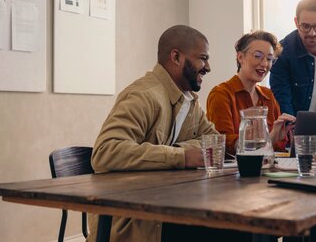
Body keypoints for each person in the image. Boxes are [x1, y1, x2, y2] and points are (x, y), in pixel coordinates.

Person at [88, 25, 250, 242]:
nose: (208, 67)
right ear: (176, 57)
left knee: (243, 227)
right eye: (203, 58)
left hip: (167, 207)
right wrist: (181, 157)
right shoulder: (143, 96)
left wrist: (179, 151)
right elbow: (105, 152)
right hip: (135, 222)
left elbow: (215, 143)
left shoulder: (189, 99)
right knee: (238, 231)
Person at [207, 31, 295, 157]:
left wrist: (283, 136)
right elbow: (223, 144)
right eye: (258, 56)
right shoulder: (221, 94)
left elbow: (278, 148)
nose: (264, 64)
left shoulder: (268, 96)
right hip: (234, 172)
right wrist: (269, 140)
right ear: (240, 57)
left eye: (269, 59)